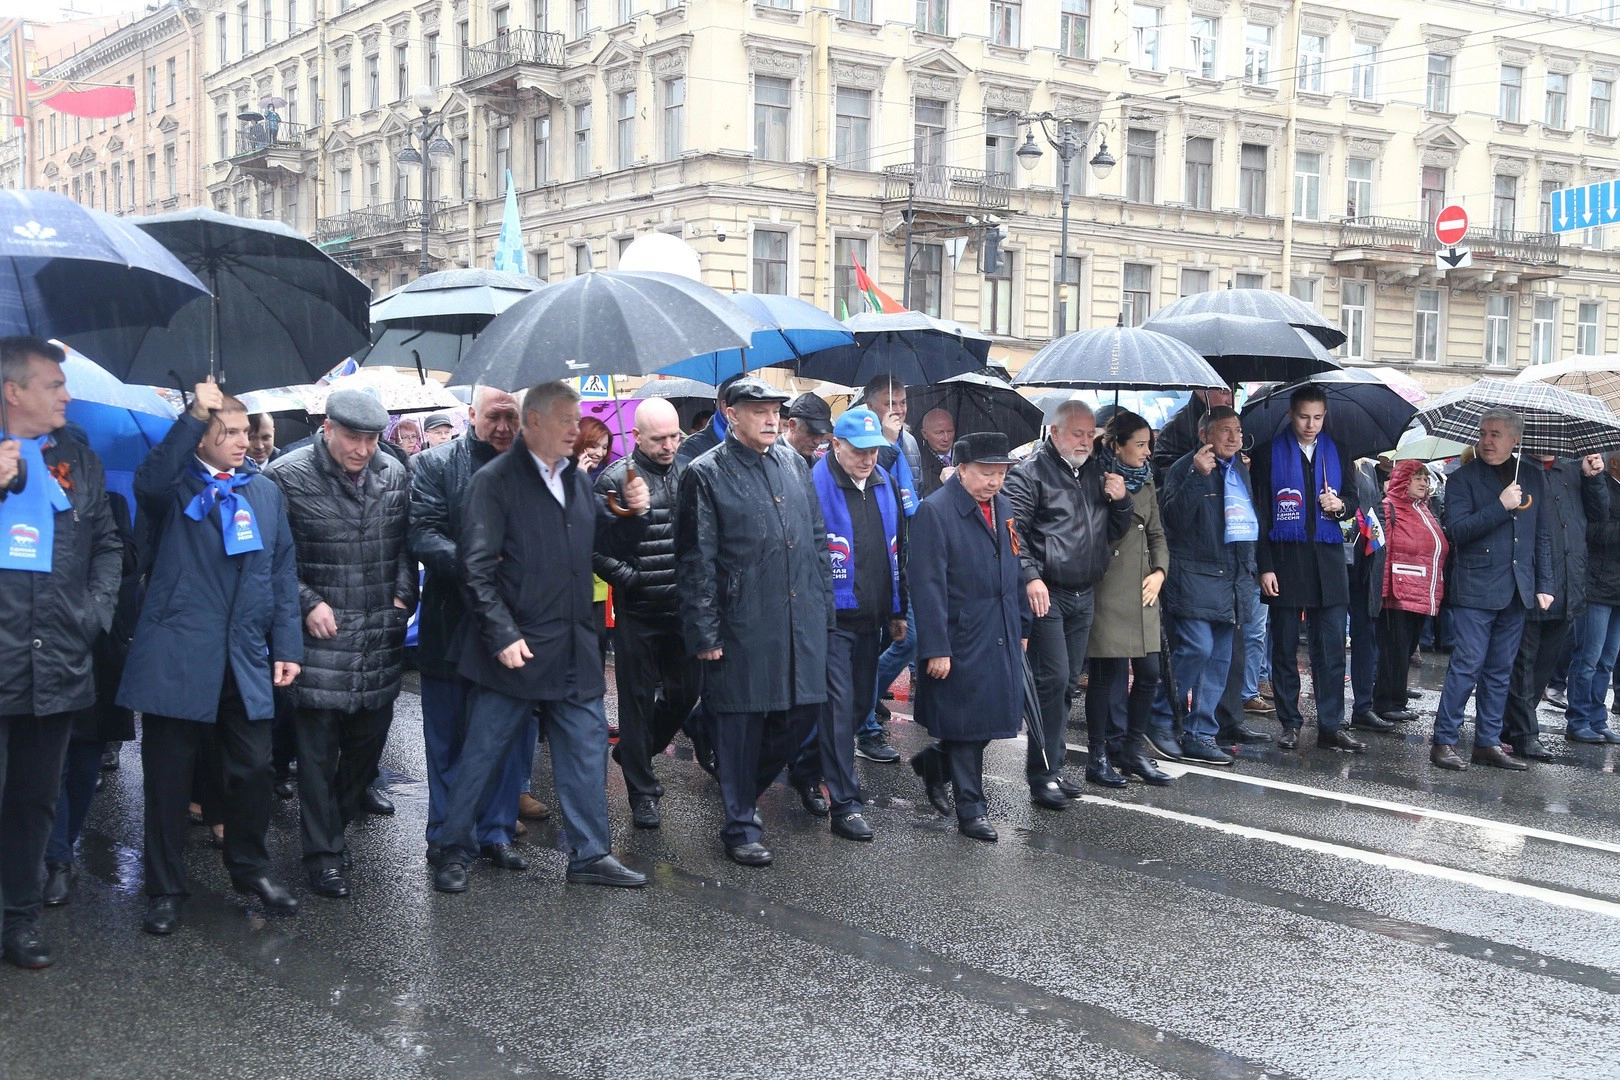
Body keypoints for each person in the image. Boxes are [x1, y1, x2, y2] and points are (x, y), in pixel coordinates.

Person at [434, 381, 650, 893]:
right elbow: (475, 570)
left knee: (586, 749)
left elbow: (603, 539)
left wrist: (632, 514)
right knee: (482, 753)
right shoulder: (494, 481)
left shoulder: (573, 478)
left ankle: (590, 854)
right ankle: (453, 849)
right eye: (566, 420)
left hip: (573, 645)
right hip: (517, 649)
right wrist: (502, 634)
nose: (576, 430)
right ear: (534, 423)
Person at [119, 378, 303, 937]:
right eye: (229, 432)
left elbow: (282, 571)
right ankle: (165, 889)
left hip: (242, 656)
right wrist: (194, 414)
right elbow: (149, 483)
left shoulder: (264, 493)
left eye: (246, 431)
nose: (244, 441)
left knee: (254, 769)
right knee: (169, 781)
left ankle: (250, 869)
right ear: (201, 436)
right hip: (178, 652)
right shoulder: (175, 485)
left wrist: (286, 645)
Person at [263, 390, 416, 899]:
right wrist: (307, 602)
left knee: (367, 750)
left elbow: (404, 544)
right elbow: (271, 559)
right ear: (327, 428)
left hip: (378, 632)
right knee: (315, 753)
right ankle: (323, 855)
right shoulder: (285, 476)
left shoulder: (393, 473)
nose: (363, 449)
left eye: (372, 439)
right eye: (353, 437)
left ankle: (334, 823)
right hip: (320, 637)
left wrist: (403, 596)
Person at [675, 377, 834, 867]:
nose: (771, 419)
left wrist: (823, 610)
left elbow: (816, 537)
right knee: (742, 724)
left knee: (801, 714)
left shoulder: (794, 463)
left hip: (798, 616)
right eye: (759, 410)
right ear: (731, 413)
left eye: (776, 411)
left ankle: (737, 782)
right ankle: (740, 824)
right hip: (741, 621)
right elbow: (696, 561)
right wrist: (705, 632)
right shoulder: (705, 473)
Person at [0, 337, 120, 969]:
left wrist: (92, 614)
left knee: (33, 802)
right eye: (53, 385)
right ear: (13, 391)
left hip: (57, 661)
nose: (67, 396)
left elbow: (107, 543)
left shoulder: (77, 457)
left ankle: (17, 922)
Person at [409, 385, 545, 871]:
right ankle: (447, 836)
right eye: (494, 417)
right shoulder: (435, 464)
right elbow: (422, 533)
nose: (504, 427)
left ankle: (496, 830)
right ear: (471, 414)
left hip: (514, 629)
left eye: (512, 417)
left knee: (505, 738)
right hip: (451, 623)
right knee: (448, 740)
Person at [1003, 399, 1133, 808]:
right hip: (1049, 592)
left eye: (1091, 433)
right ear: (1055, 432)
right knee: (1053, 681)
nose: (1085, 440)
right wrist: (1031, 576)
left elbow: (1114, 531)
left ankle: (1053, 767)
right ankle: (1042, 776)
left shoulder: (1097, 471)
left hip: (1085, 591)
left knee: (1066, 685)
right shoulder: (1030, 474)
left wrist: (1121, 500)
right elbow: (1014, 534)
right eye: (1077, 433)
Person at [908, 432, 1030, 842]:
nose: (994, 481)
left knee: (990, 719)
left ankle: (935, 763)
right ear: (961, 470)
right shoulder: (935, 511)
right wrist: (936, 648)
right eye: (985, 472)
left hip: (1000, 627)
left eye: (1001, 473)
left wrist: (1022, 625)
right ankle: (971, 809)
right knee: (965, 723)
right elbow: (927, 586)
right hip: (960, 633)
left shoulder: (1004, 507)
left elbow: (1013, 566)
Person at [593, 399, 704, 829]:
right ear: (637, 436)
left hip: (682, 609)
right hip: (638, 610)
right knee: (636, 703)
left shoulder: (690, 471)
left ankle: (633, 752)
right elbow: (595, 548)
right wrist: (631, 579)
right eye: (659, 439)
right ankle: (642, 791)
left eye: (675, 436)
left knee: (685, 694)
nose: (669, 445)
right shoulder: (614, 479)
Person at [1431, 408, 1555, 771]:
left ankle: (1487, 742)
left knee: (1501, 670)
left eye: (1496, 434)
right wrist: (1500, 506)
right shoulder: (1462, 479)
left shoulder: (1531, 476)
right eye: (1483, 433)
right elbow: (1457, 531)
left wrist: (1545, 583)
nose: (1487, 441)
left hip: (1517, 588)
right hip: (1476, 586)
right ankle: (1444, 740)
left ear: (1515, 440)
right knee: (1466, 666)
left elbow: (1542, 534)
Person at [1250, 385, 1366, 753]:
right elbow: (1261, 514)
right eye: (1304, 416)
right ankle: (1290, 723)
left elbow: (1354, 500)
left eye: (1317, 417)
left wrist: (1340, 505)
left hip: (1328, 561)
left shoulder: (1338, 451)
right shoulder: (1268, 454)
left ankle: (1331, 725)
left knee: (1331, 650)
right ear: (1291, 415)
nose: (1310, 424)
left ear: (1324, 416)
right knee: (1284, 647)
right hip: (1286, 560)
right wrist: (1264, 566)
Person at [811, 408, 908, 842]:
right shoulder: (815, 484)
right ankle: (845, 804)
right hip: (830, 620)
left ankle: (806, 770)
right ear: (836, 445)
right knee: (836, 711)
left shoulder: (883, 482)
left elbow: (899, 550)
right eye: (858, 451)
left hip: (873, 617)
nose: (868, 459)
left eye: (873, 451)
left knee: (856, 707)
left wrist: (898, 610)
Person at [1158, 407, 1256, 765]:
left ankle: (1201, 733)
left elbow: (1246, 524)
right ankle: (1159, 714)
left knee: (1219, 660)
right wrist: (1197, 476)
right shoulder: (1185, 467)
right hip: (1194, 577)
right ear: (1204, 436)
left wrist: (1252, 571)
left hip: (1232, 579)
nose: (1234, 437)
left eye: (1238, 431)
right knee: (1197, 648)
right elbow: (1173, 520)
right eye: (1225, 430)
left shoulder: (1239, 469)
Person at [1083, 410, 1172, 787]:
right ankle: (1098, 754)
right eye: (1140, 444)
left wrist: (1160, 572)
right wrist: (1116, 499)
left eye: (1149, 444)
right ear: (1116, 446)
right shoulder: (1094, 479)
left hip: (1144, 588)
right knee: (1105, 676)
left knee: (1150, 673)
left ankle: (1134, 751)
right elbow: (1100, 537)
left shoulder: (1147, 479)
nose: (1148, 451)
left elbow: (1157, 534)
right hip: (1110, 587)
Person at [1500, 453, 1606, 759]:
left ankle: (1511, 727)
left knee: (1544, 666)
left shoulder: (1572, 471)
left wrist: (1593, 479)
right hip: (1532, 582)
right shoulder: (1518, 470)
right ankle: (1524, 734)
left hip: (1569, 584)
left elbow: (1598, 515)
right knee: (1524, 664)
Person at [852, 374, 922, 764]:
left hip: (902, 557)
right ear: (870, 405)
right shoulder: (862, 438)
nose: (899, 409)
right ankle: (865, 725)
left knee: (905, 640)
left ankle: (862, 700)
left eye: (903, 401)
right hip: (868, 563)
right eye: (890, 402)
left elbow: (912, 495)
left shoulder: (907, 440)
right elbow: (869, 482)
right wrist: (888, 444)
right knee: (873, 648)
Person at [1368, 460, 1448, 724]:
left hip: (1419, 590)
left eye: (1426, 478)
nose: (1424, 483)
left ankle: (1396, 696)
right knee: (1394, 649)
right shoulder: (1389, 507)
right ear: (1404, 480)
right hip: (1397, 592)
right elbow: (1382, 552)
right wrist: (1382, 592)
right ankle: (1386, 702)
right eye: (1417, 478)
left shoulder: (1422, 509)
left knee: (1407, 648)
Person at [1566, 452, 1620, 744]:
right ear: (1614, 461)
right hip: (1596, 585)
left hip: (1616, 589)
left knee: (1606, 661)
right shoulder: (1597, 485)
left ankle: (1598, 720)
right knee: (1588, 657)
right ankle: (1578, 720)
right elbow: (1595, 532)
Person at [1153, 387, 1234, 479]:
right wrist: (1197, 470)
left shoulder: (1229, 421)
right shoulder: (1176, 426)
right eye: (1223, 392)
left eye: (1233, 392)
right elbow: (1168, 477)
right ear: (1203, 392)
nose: (1230, 401)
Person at [677, 374, 745, 463]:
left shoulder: (758, 442)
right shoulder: (691, 448)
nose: (761, 419)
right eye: (756, 411)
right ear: (726, 407)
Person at [781, 393, 833, 464]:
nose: (817, 441)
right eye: (812, 433)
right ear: (792, 425)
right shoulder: (768, 457)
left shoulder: (818, 462)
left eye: (822, 434)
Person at [915, 408, 956, 498]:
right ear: (925, 434)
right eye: (939, 433)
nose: (946, 438)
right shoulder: (918, 462)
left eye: (950, 431)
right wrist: (940, 483)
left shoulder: (965, 456)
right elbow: (920, 501)